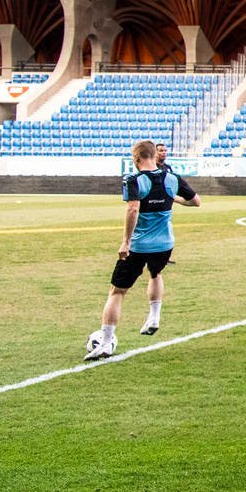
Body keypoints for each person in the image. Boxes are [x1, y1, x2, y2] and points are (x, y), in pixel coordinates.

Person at [85, 139, 202, 360]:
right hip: (165, 244)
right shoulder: (173, 178)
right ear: (154, 156)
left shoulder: (134, 180)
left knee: (117, 291)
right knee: (155, 273)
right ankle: (154, 316)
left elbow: (132, 210)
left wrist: (125, 242)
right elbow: (196, 201)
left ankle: (107, 342)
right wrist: (172, 199)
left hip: (139, 245)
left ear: (137, 158)